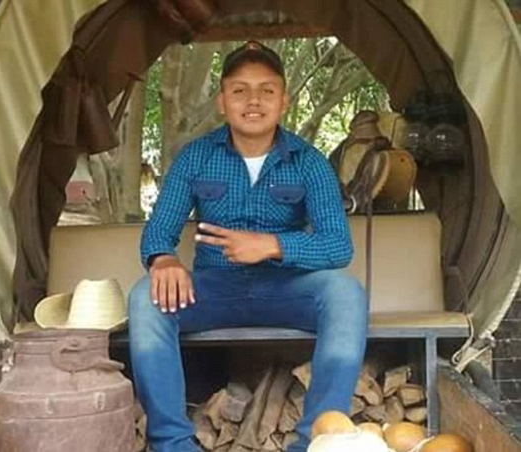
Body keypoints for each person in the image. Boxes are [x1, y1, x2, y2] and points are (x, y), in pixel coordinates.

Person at [128, 41, 368, 452]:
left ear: (284, 101)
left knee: (346, 293)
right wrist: (163, 259)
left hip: (287, 290)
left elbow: (337, 246)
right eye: (239, 90)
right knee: (144, 298)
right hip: (213, 290)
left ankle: (316, 442)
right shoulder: (195, 157)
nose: (253, 101)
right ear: (222, 101)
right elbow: (158, 232)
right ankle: (173, 445)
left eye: (266, 90)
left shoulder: (309, 162)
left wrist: (273, 245)